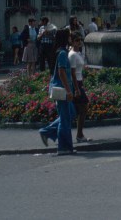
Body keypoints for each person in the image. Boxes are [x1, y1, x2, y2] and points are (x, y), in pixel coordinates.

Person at [39, 27, 75, 155]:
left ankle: (47, 131)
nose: (71, 38)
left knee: (70, 113)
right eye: (69, 36)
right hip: (62, 89)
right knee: (65, 118)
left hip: (61, 87)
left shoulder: (60, 51)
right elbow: (61, 72)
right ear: (65, 38)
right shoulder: (63, 53)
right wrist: (69, 90)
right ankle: (64, 147)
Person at [68, 31, 90, 143]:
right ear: (72, 42)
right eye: (76, 40)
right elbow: (72, 73)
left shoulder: (78, 53)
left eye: (80, 40)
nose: (79, 42)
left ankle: (79, 134)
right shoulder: (72, 54)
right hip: (76, 83)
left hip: (79, 82)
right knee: (83, 108)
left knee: (80, 109)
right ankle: (79, 135)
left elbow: (79, 70)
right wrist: (76, 88)